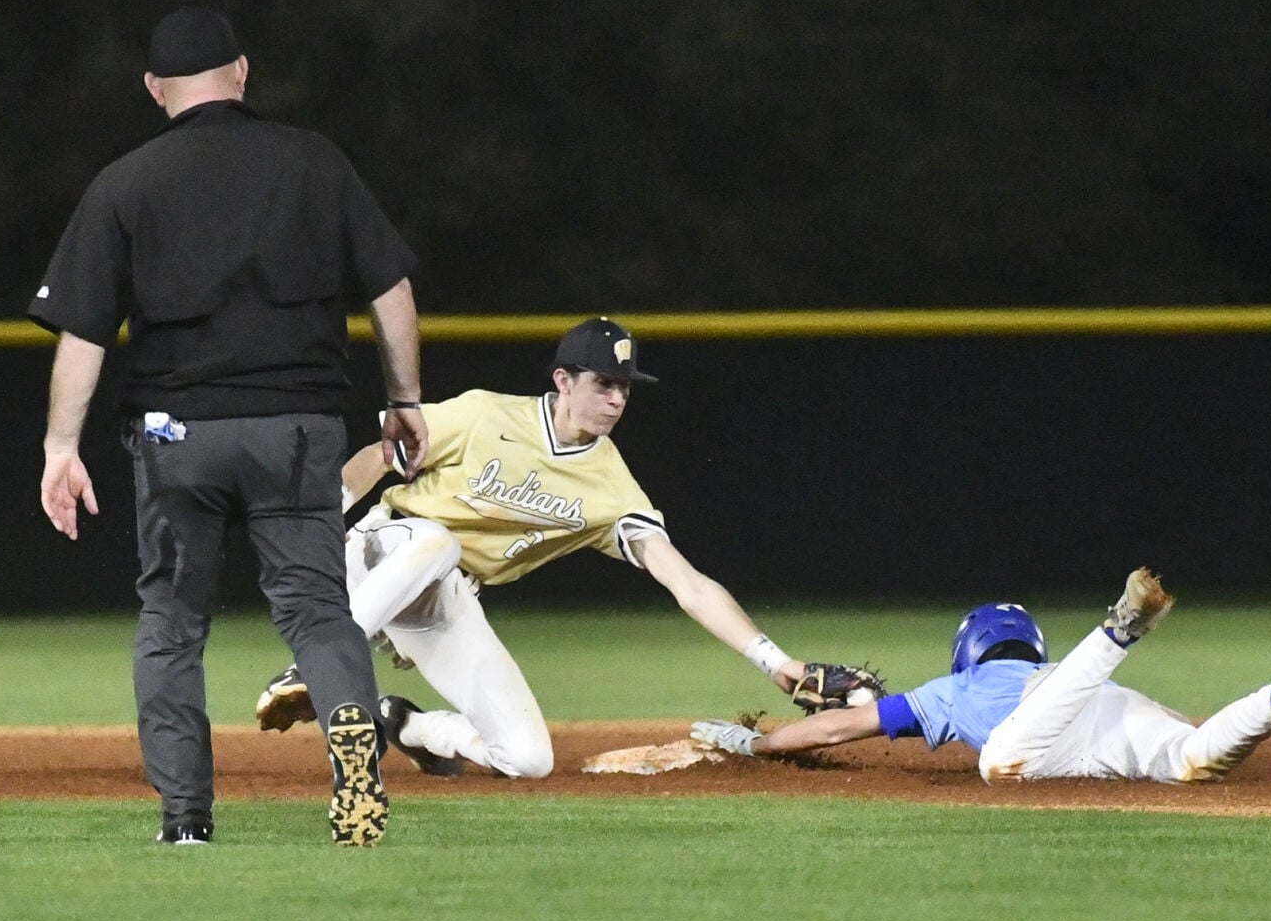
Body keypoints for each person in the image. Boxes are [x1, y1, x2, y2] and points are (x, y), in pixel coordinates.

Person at [30, 7, 427, 848]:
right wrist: (405, 400)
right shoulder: (315, 162)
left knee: (172, 621)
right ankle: (352, 733)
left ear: (153, 88)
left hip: (180, 435)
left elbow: (85, 333)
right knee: (319, 608)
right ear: (242, 72)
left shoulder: (125, 183)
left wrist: (61, 448)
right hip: (296, 428)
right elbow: (389, 287)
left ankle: (186, 819)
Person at [253, 317, 848, 779]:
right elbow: (384, 454)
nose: (617, 399)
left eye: (625, 388)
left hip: (441, 596)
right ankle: (316, 665)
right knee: (435, 541)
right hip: (385, 551)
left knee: (527, 758)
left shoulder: (611, 485)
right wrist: (322, 519)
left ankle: (405, 725)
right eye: (604, 384)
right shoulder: (485, 414)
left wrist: (779, 664)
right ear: (563, 381)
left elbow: (686, 582)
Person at [690, 568, 1271, 783]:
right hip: (1099, 705)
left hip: (1040, 730)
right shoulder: (1049, 667)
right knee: (1190, 755)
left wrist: (757, 742)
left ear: (968, 650)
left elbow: (841, 726)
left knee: (998, 759)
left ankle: (1120, 628)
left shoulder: (954, 690)